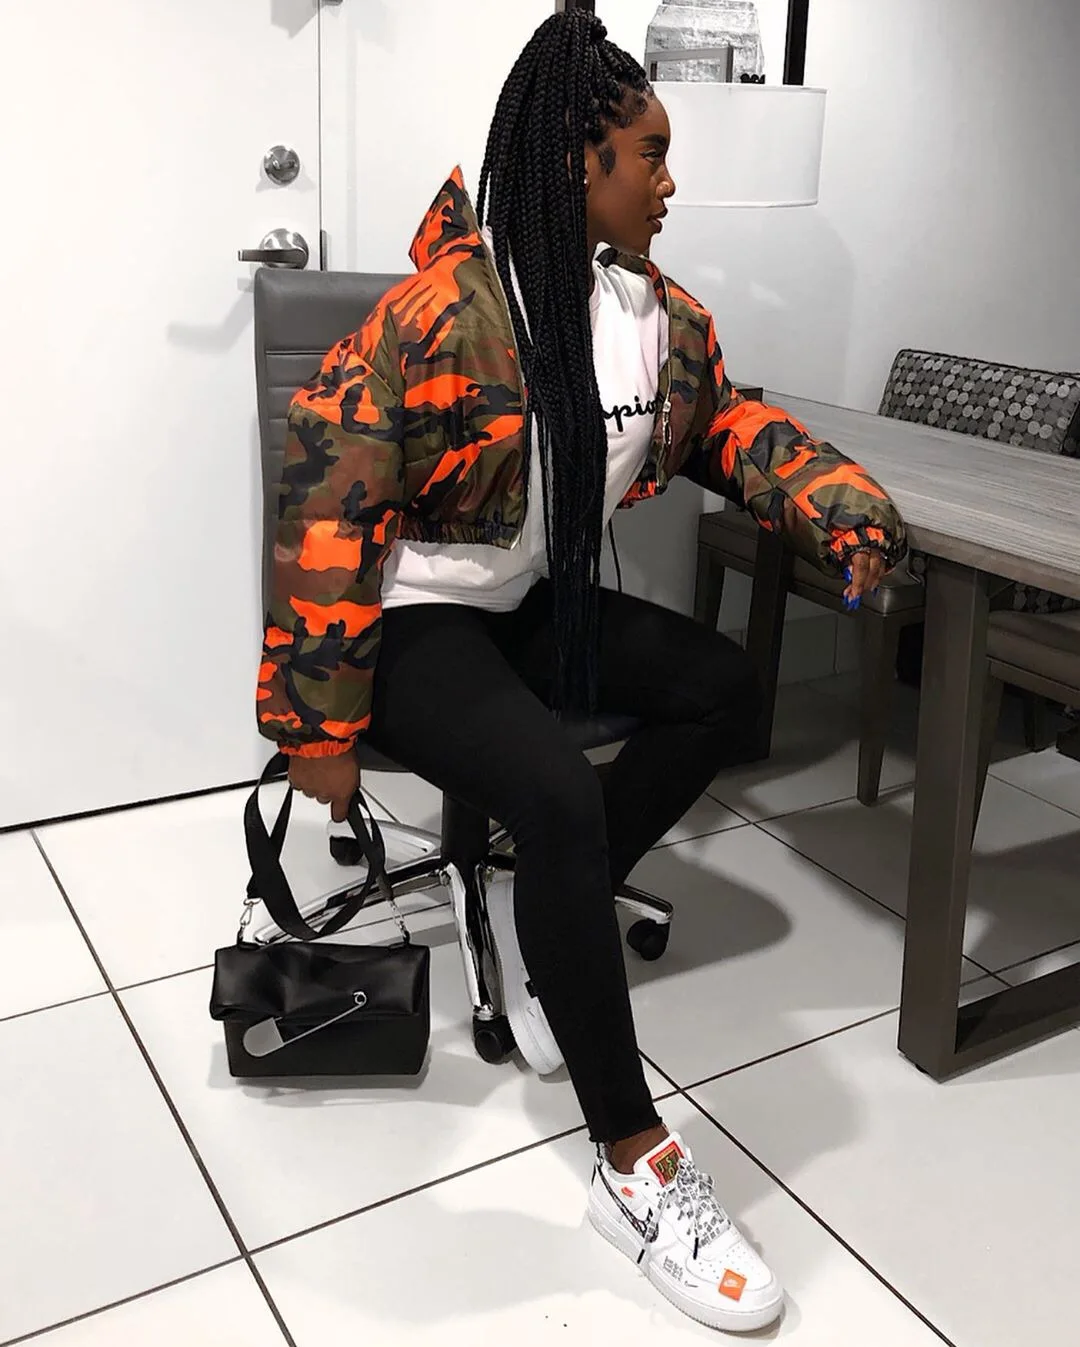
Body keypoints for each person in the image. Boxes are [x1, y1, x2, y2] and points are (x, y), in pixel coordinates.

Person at [256, 12, 906, 1334]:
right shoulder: (441, 316)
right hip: (410, 625)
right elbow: (326, 503)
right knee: (553, 791)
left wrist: (840, 506)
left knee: (722, 688)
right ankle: (633, 1165)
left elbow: (725, 423)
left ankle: (550, 920)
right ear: (576, 162)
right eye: (648, 155)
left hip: (522, 605)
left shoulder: (648, 314)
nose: (669, 183)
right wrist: (315, 724)